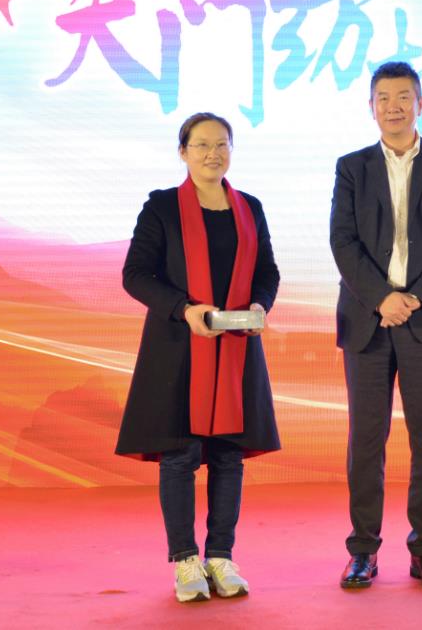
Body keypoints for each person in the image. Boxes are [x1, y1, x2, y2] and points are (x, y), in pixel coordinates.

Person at [115, 112, 280, 603]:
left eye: (222, 144)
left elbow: (267, 272)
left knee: (229, 455)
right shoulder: (162, 207)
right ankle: (186, 561)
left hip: (235, 348)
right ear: (182, 151)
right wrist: (185, 309)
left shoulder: (249, 208)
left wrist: (259, 306)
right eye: (202, 144)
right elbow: (135, 274)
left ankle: (221, 557)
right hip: (178, 348)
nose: (213, 153)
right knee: (181, 455)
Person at [330, 61, 422, 590]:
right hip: (367, 321)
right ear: (371, 107)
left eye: (403, 97)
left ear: (420, 103)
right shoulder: (352, 167)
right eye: (384, 98)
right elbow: (342, 240)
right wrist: (381, 299)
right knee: (366, 440)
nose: (394, 107)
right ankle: (363, 550)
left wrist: (412, 297)